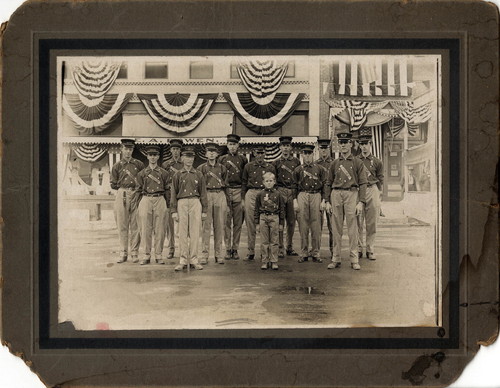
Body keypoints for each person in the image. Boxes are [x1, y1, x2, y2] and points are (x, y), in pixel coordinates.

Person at [325, 132, 368, 270]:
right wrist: (327, 200)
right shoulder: (334, 163)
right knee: (336, 228)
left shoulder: (357, 162)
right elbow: (328, 182)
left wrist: (361, 202)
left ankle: (354, 259)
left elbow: (363, 183)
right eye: (341, 142)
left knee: (353, 229)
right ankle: (336, 258)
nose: (343, 145)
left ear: (351, 144)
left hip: (351, 194)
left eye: (346, 142)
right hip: (336, 194)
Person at [170, 145, 208, 272]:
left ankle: (194, 259)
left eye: (191, 157)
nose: (189, 160)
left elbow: (203, 193)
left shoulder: (198, 174)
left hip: (195, 202)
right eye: (187, 157)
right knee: (181, 233)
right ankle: (182, 260)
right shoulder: (177, 175)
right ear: (182, 158)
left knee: (194, 232)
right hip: (181, 202)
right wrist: (174, 211)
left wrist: (204, 210)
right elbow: (173, 193)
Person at [110, 138, 145, 264]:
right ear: (121, 149)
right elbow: (113, 184)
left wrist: (137, 192)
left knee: (136, 224)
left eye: (130, 149)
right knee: (122, 224)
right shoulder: (117, 166)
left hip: (136, 193)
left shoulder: (139, 164)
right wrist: (123, 190)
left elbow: (142, 181)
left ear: (132, 150)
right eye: (126, 149)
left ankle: (134, 253)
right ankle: (123, 252)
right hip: (122, 193)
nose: (128, 151)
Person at [133, 145, 169, 265]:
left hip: (160, 198)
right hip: (146, 198)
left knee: (160, 229)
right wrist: (138, 205)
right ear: (147, 157)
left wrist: (168, 205)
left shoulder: (164, 173)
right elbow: (138, 189)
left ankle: (158, 254)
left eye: (155, 155)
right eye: (150, 155)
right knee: (145, 228)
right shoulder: (142, 173)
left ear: (158, 157)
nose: (153, 157)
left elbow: (168, 189)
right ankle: (146, 255)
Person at [293, 144, 328, 263]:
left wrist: (324, 200)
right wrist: (295, 201)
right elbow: (294, 187)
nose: (307, 156)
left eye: (309, 153)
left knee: (316, 225)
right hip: (302, 194)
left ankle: (316, 252)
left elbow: (325, 186)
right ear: (302, 155)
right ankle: (304, 252)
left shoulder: (319, 169)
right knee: (303, 225)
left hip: (316, 195)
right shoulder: (298, 170)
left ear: (313, 154)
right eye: (305, 153)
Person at [241, 146, 276, 261]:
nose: (260, 155)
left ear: (265, 154)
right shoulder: (248, 166)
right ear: (254, 154)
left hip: (264, 193)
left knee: (264, 223)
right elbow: (244, 183)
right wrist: (242, 199)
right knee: (250, 223)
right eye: (257, 153)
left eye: (262, 153)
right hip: (251, 193)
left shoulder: (270, 167)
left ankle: (264, 253)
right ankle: (251, 251)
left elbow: (273, 183)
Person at [198, 142, 229, 265]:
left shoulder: (222, 168)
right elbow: (199, 186)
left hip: (219, 194)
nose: (211, 154)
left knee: (219, 226)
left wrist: (226, 202)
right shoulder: (201, 168)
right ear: (206, 154)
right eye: (209, 151)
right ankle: (205, 255)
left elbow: (226, 185)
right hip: (207, 195)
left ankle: (218, 254)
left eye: (213, 152)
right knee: (206, 227)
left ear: (217, 154)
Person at [219, 134, 247, 260]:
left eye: (234, 144)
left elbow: (245, 178)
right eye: (230, 144)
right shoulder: (222, 159)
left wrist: (242, 196)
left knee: (238, 223)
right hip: (226, 190)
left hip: (238, 190)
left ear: (238, 145)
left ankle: (235, 249)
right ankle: (227, 249)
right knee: (226, 222)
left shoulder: (243, 159)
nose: (232, 146)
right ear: (227, 145)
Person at [357, 132, 384, 260]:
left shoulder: (377, 161)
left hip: (372, 189)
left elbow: (380, 179)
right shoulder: (356, 161)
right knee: (358, 221)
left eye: (366, 144)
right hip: (359, 190)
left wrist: (379, 195)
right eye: (361, 144)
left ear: (370, 144)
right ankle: (358, 248)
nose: (363, 147)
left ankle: (370, 249)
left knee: (371, 222)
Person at [273, 135, 300, 258]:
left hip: (292, 191)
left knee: (291, 221)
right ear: (280, 147)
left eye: (287, 146)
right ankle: (280, 247)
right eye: (283, 146)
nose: (285, 148)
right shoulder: (276, 163)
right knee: (280, 220)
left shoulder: (296, 162)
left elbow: (298, 179)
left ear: (291, 147)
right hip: (280, 191)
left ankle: (289, 246)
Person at [254, 172, 285, 270]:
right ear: (263, 182)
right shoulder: (260, 194)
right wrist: (257, 223)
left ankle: (274, 261)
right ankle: (265, 261)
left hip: (274, 217)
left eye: (271, 181)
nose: (269, 183)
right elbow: (256, 209)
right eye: (266, 181)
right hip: (263, 217)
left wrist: (281, 223)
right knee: (264, 241)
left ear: (274, 182)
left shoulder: (278, 194)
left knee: (274, 241)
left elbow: (282, 209)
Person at [161, 138, 184, 260]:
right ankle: (171, 249)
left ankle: (183, 250)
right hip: (169, 196)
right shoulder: (165, 164)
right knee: (170, 226)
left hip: (181, 195)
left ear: (181, 151)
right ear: (170, 150)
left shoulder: (184, 164)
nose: (175, 151)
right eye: (173, 149)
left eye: (178, 149)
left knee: (182, 225)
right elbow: (163, 182)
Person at [316, 138, 335, 258]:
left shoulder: (334, 163)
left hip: (331, 197)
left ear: (329, 149)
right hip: (318, 196)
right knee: (317, 226)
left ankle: (334, 251)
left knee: (333, 226)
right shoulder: (315, 164)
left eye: (326, 148)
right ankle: (316, 251)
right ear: (318, 149)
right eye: (322, 148)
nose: (324, 150)